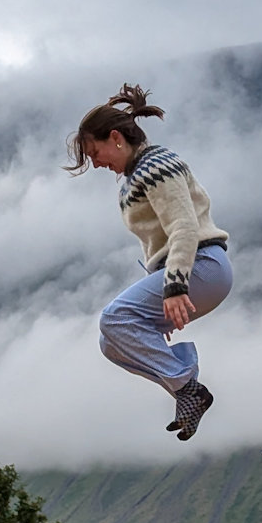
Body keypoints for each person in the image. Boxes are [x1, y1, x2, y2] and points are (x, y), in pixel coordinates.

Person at [69, 84, 233, 440]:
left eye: (95, 152)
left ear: (115, 138)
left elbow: (185, 227)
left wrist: (174, 288)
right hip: (185, 270)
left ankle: (188, 388)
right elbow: (159, 240)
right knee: (111, 342)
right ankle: (186, 383)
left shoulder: (157, 165)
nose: (96, 163)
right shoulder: (134, 177)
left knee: (114, 317)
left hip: (200, 266)